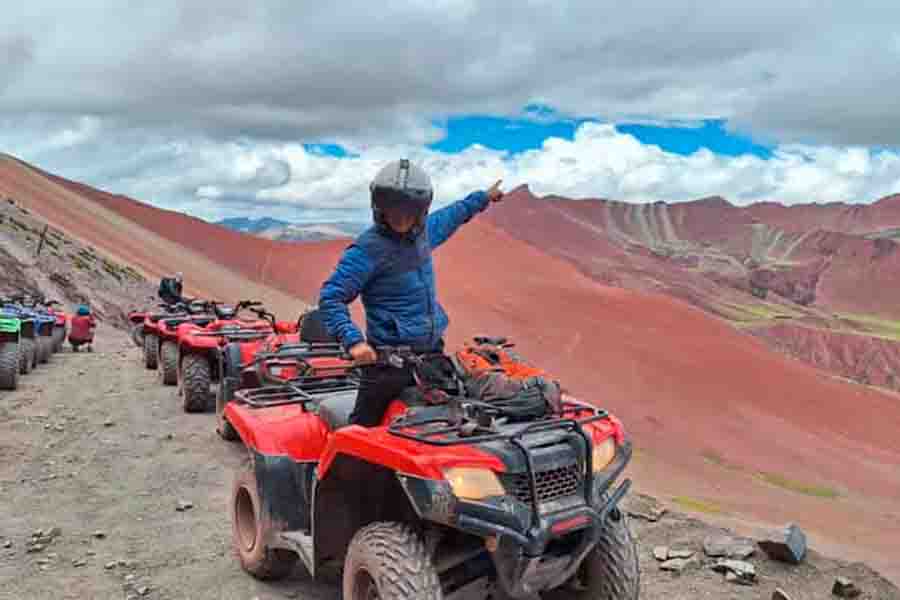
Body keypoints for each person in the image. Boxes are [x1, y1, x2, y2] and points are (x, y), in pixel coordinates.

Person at [319, 159, 505, 426]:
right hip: (387, 364)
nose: (400, 218)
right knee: (361, 434)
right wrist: (353, 341)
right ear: (379, 208)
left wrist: (484, 197)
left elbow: (455, 213)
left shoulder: (425, 233)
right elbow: (331, 296)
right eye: (392, 211)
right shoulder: (366, 250)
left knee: (453, 425)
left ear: (421, 211)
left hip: (431, 356)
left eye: (408, 212)